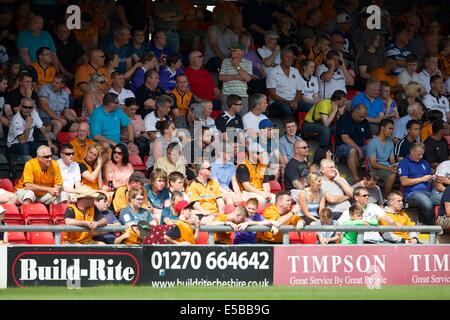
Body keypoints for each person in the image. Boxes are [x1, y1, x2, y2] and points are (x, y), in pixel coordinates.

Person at [398, 142, 441, 225]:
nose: (421, 157)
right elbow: (404, 182)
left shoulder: (424, 162)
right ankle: (430, 227)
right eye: (418, 154)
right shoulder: (404, 163)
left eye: (422, 154)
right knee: (428, 204)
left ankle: (422, 218)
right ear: (411, 152)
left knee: (445, 198)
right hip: (412, 193)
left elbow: (430, 177)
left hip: (429, 192)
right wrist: (422, 179)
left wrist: (433, 178)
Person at [335, 103, 372, 183]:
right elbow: (345, 138)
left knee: (372, 150)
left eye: (364, 117)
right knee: (353, 150)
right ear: (355, 111)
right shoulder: (344, 119)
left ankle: (371, 177)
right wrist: (359, 149)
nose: (362, 119)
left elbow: (369, 139)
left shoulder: (364, 122)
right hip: (342, 146)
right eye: (360, 116)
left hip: (361, 146)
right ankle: (356, 177)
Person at [38, 73, 78, 138]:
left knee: (78, 127)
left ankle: (67, 145)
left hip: (59, 119)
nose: (54, 84)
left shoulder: (65, 94)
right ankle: (52, 144)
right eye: (53, 81)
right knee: (59, 124)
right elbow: (44, 106)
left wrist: (76, 119)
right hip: (45, 118)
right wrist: (59, 119)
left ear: (62, 85)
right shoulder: (45, 89)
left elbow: (67, 113)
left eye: (57, 83)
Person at [266, 48, 303, 117]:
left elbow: (299, 91)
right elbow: (272, 95)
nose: (290, 60)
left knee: (309, 107)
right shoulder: (273, 72)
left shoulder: (295, 71)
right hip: (278, 102)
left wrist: (295, 101)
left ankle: (307, 127)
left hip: (293, 101)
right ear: (281, 58)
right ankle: (292, 126)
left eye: (292, 57)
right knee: (286, 108)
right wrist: (288, 102)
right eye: (288, 57)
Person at [186, 160, 225, 224]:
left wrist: (221, 214)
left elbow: (220, 200)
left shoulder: (214, 183)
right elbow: (196, 206)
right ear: (201, 171)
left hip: (216, 214)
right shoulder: (192, 185)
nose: (211, 169)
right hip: (203, 215)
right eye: (209, 168)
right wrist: (209, 214)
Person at [219, 42, 252, 115]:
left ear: (242, 52)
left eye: (234, 50)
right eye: (231, 50)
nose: (231, 52)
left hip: (242, 95)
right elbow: (221, 77)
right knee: (226, 119)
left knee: (243, 120)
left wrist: (237, 65)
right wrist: (237, 76)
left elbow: (248, 78)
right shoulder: (225, 61)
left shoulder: (248, 63)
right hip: (227, 95)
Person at [367, 118, 397, 196]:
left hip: (387, 167)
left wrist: (395, 166)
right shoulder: (372, 142)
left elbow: (392, 160)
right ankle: (387, 199)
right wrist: (390, 169)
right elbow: (373, 164)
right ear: (382, 128)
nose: (391, 131)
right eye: (389, 128)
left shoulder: (390, 142)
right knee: (392, 175)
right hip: (375, 170)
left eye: (392, 129)